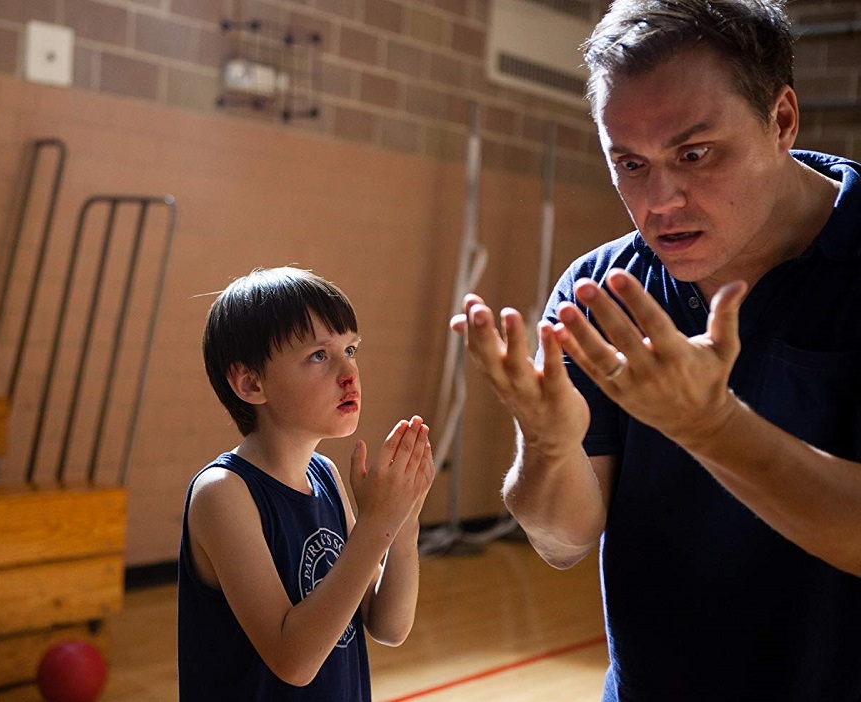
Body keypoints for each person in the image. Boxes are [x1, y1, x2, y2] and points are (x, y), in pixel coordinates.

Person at [450, 0, 861, 699]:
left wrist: (711, 427)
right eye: (629, 163)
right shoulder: (598, 288)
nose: (659, 200)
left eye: (694, 154)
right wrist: (547, 446)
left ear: (782, 120)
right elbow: (561, 540)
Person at [179, 266, 435, 701]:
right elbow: (293, 661)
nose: (349, 372)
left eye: (350, 349)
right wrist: (377, 525)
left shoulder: (326, 476)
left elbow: (389, 626)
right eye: (319, 355)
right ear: (250, 382)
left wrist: (403, 520)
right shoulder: (222, 493)